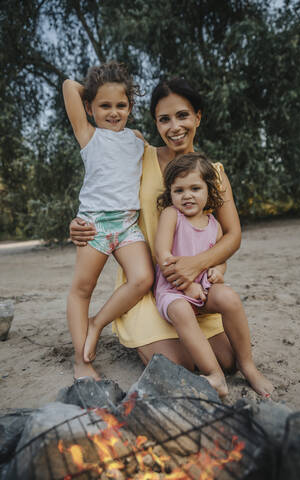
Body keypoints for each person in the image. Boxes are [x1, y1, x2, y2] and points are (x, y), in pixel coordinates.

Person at [69, 78, 272, 396]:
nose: (175, 126)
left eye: (183, 115)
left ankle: (220, 356)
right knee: (179, 365)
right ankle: (135, 328)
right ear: (155, 123)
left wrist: (198, 265)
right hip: (149, 288)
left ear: (198, 117)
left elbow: (232, 235)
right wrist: (79, 222)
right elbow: (101, 188)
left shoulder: (213, 174)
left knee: (228, 359)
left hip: (195, 285)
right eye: (164, 119)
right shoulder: (137, 155)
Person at [154, 152, 273, 398]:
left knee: (229, 297)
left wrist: (218, 271)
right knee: (181, 310)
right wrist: (187, 287)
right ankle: (215, 375)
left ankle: (248, 366)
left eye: (195, 188)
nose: (187, 195)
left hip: (203, 288)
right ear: (170, 193)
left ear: (209, 191)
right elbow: (163, 256)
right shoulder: (171, 216)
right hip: (173, 290)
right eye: (179, 190)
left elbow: (221, 259)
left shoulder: (213, 224)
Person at [63, 61, 154, 381]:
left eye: (121, 105)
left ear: (130, 106)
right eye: (104, 105)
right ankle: (81, 361)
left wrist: (109, 90)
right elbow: (67, 86)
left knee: (143, 278)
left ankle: (97, 323)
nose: (113, 112)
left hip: (127, 225)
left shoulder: (137, 138)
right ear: (89, 107)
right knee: (82, 289)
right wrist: (91, 89)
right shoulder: (88, 135)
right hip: (94, 226)